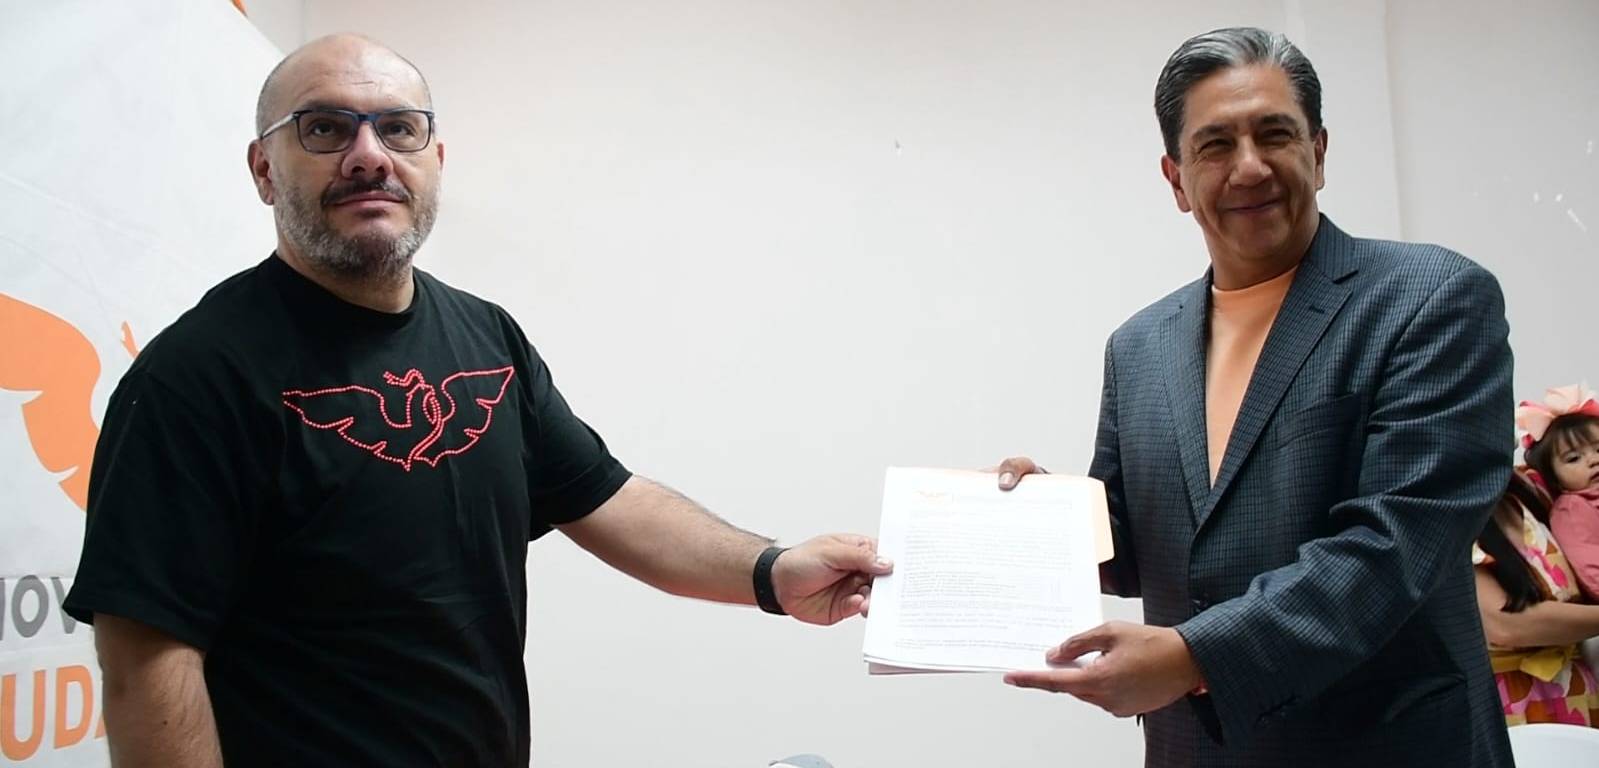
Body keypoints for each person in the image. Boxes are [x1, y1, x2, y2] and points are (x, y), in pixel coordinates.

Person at [62, 34, 890, 768]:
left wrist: (772, 573)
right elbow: (146, 666)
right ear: (263, 169)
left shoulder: (485, 336)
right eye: (325, 128)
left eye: (398, 128)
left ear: (434, 159)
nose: (367, 155)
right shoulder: (197, 375)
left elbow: (608, 500)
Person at [993, 27, 1515, 765]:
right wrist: (1036, 520)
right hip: (1194, 749)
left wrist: (1193, 657)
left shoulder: (1430, 298)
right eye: (1215, 145)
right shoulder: (1137, 345)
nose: (1249, 167)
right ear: (1176, 180)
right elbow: (1131, 547)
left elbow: (1397, 545)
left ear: (1318, 153)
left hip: (1384, 745)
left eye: (1274, 134)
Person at [1473, 468, 1599, 726]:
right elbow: (1506, 626)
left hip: (1576, 690)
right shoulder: (1445, 520)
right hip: (1514, 703)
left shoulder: (1531, 491)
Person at [1518, 383, 1599, 600]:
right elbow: (1591, 568)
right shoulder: (1573, 509)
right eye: (1573, 458)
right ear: (1555, 479)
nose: (1594, 460)